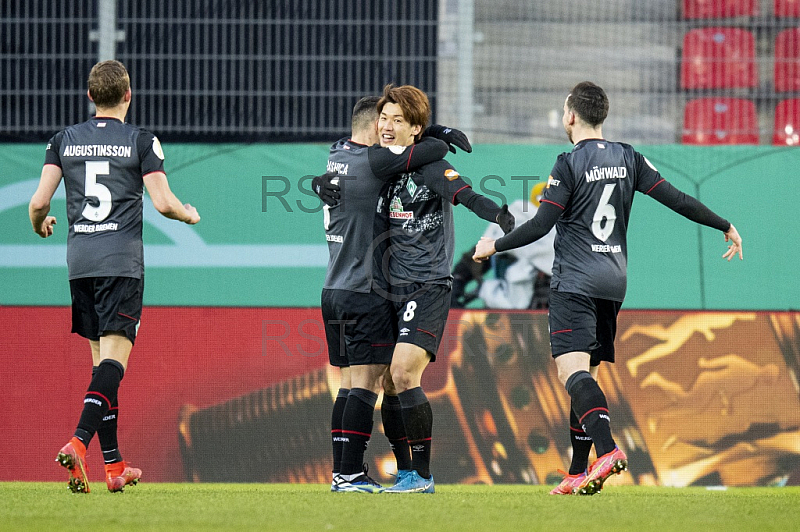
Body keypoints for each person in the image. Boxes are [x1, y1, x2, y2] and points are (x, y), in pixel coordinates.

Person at [473, 81, 742, 496]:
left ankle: (608, 449)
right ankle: (578, 471)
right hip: (613, 282)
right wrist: (724, 223)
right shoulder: (629, 157)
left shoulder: (567, 163)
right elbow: (677, 199)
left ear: (571, 116)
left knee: (571, 370)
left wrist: (494, 245)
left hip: (575, 281)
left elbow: (542, 225)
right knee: (587, 374)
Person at [29, 60, 200, 493]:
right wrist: (188, 214)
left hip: (80, 265)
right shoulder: (141, 140)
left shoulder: (62, 141)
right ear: (128, 95)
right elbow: (162, 203)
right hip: (121, 265)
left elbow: (37, 204)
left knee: (101, 370)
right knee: (113, 366)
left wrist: (41, 225)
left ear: (90, 97)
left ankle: (114, 466)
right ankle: (78, 443)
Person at [317, 95, 462, 493]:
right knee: (365, 385)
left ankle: (344, 472)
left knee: (348, 385)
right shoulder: (375, 161)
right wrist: (440, 135)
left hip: (333, 289)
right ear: (373, 126)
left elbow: (326, 182)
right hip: (364, 288)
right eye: (384, 122)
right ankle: (349, 474)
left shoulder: (337, 155)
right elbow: (425, 152)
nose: (389, 131)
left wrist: (316, 182)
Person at [376, 84, 515, 494]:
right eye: (384, 118)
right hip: (388, 289)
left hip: (429, 285)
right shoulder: (381, 167)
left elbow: (465, 194)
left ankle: (422, 475)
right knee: (387, 382)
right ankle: (406, 473)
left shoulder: (432, 168)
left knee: (404, 372)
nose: (386, 126)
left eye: (398, 120)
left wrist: (500, 217)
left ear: (415, 129)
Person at [451, 181, 555, 309]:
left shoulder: (572, 226)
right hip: (510, 308)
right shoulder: (521, 215)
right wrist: (458, 279)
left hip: (560, 304)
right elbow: (482, 254)